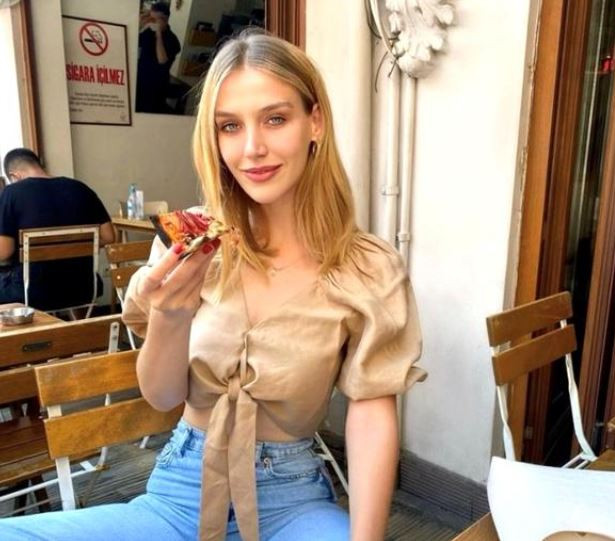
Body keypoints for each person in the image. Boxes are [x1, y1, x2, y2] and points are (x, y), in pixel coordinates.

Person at [0, 32, 426, 540]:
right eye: (230, 126)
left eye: (275, 119)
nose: (252, 148)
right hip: (180, 490)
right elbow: (163, 397)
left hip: (292, 500)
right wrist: (170, 315)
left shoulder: (366, 267)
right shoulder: (194, 241)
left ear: (314, 122)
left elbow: (372, 410)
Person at [0, 148, 115, 310]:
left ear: (14, 176)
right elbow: (109, 237)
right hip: (84, 287)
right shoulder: (81, 188)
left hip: (32, 292)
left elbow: (4, 252)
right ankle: (76, 325)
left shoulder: (11, 193)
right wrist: (75, 245)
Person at [136, 1, 181, 114]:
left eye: (155, 19)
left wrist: (159, 34)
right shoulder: (148, 32)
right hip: (140, 82)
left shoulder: (172, 40)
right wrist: (139, 24)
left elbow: (162, 60)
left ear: (165, 20)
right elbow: (133, 44)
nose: (152, 22)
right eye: (151, 18)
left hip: (156, 87)